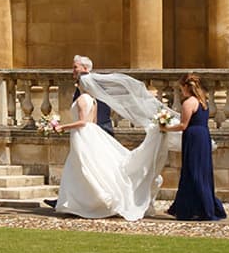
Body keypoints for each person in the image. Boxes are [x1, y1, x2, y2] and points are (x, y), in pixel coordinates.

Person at [49, 55, 172, 221]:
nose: (73, 71)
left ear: (85, 72)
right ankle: (76, 202)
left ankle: (88, 201)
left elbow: (85, 122)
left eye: (75, 67)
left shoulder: (85, 98)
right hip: (88, 135)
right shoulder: (91, 98)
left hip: (84, 135)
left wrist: (62, 127)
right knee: (84, 168)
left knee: (87, 168)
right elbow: (92, 121)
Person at [166, 72, 226, 221]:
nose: (181, 92)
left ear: (187, 87)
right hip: (203, 136)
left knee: (192, 171)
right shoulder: (202, 101)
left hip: (193, 137)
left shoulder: (188, 102)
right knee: (200, 171)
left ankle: (201, 209)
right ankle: (195, 206)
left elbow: (183, 125)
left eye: (181, 89)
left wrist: (164, 128)